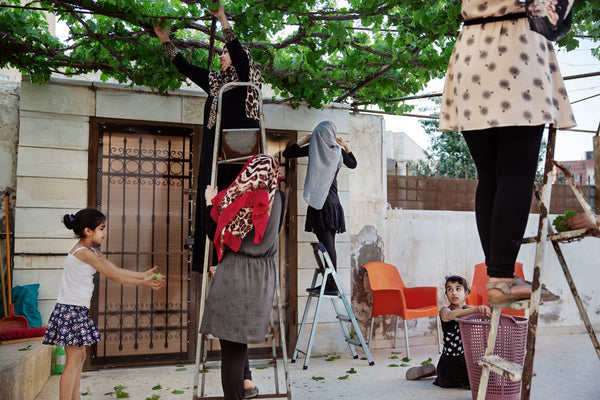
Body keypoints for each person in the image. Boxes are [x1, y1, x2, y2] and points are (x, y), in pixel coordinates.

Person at [439, 0, 576, 305]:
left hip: (471, 54)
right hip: (516, 52)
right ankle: (501, 279)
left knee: (490, 177)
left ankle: (498, 275)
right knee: (515, 174)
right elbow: (552, 15)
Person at [153, 0, 263, 274]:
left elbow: (240, 55)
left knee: (233, 203)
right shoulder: (218, 83)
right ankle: (214, 261)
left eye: (225, 53)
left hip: (238, 156)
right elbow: (187, 69)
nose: (222, 56)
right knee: (211, 201)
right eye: (221, 53)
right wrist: (165, 42)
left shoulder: (248, 82)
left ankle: (233, 257)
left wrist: (223, 19)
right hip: (216, 154)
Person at [42, 209, 164, 400]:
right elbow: (112, 275)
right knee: (73, 360)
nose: (104, 233)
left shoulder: (91, 251)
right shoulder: (83, 253)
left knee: (79, 358)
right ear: (87, 231)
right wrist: (143, 283)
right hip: (70, 311)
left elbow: (114, 268)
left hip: (77, 310)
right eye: (101, 228)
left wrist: (143, 275)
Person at [200, 154, 285, 400]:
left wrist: (209, 203)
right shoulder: (278, 198)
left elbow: (214, 232)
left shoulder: (238, 198)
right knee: (240, 340)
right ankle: (246, 382)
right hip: (262, 279)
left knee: (232, 350)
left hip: (234, 276)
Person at [282, 121, 357, 295]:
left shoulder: (312, 149)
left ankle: (332, 285)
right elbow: (353, 163)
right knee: (328, 245)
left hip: (321, 204)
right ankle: (330, 283)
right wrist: (345, 146)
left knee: (327, 246)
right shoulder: (339, 152)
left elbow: (288, 153)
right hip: (333, 204)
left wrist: (305, 140)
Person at [406, 275, 491, 389]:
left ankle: (435, 371)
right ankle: (437, 372)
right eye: (450, 289)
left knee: (484, 376)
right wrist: (476, 309)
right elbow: (450, 316)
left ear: (466, 293)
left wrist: (485, 311)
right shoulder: (445, 310)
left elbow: (480, 315)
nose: (454, 293)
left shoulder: (468, 309)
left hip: (465, 360)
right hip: (450, 362)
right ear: (446, 294)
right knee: (472, 383)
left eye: (458, 289)